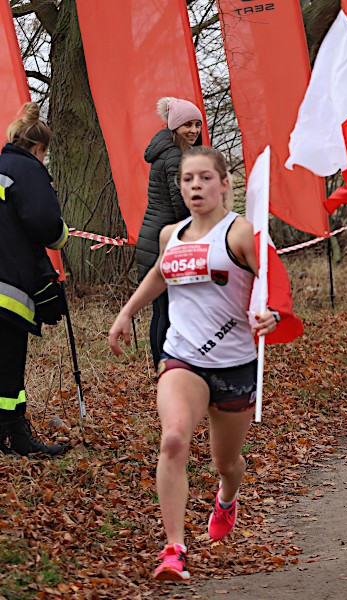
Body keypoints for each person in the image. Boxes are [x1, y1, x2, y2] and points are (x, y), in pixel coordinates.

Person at [108, 146, 278, 581]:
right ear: (180, 188)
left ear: (224, 184)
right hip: (182, 358)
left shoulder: (241, 233)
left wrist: (271, 314)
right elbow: (160, 274)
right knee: (173, 441)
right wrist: (127, 313)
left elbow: (273, 283)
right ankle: (174, 549)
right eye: (188, 179)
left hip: (235, 364)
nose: (196, 186)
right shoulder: (172, 234)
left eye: (205, 178)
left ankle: (227, 497)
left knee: (227, 463)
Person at [0, 102, 68, 457]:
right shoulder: (28, 171)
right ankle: (15, 436)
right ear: (39, 148)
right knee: (9, 363)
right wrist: (62, 234)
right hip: (9, 287)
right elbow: (46, 227)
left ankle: (12, 433)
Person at [136, 97, 204, 367]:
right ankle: (164, 367)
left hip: (158, 237)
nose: (194, 130)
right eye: (188, 125)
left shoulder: (171, 151)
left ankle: (164, 366)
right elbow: (182, 205)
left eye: (197, 124)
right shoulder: (175, 155)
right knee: (166, 311)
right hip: (164, 241)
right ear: (174, 126)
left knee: (163, 310)